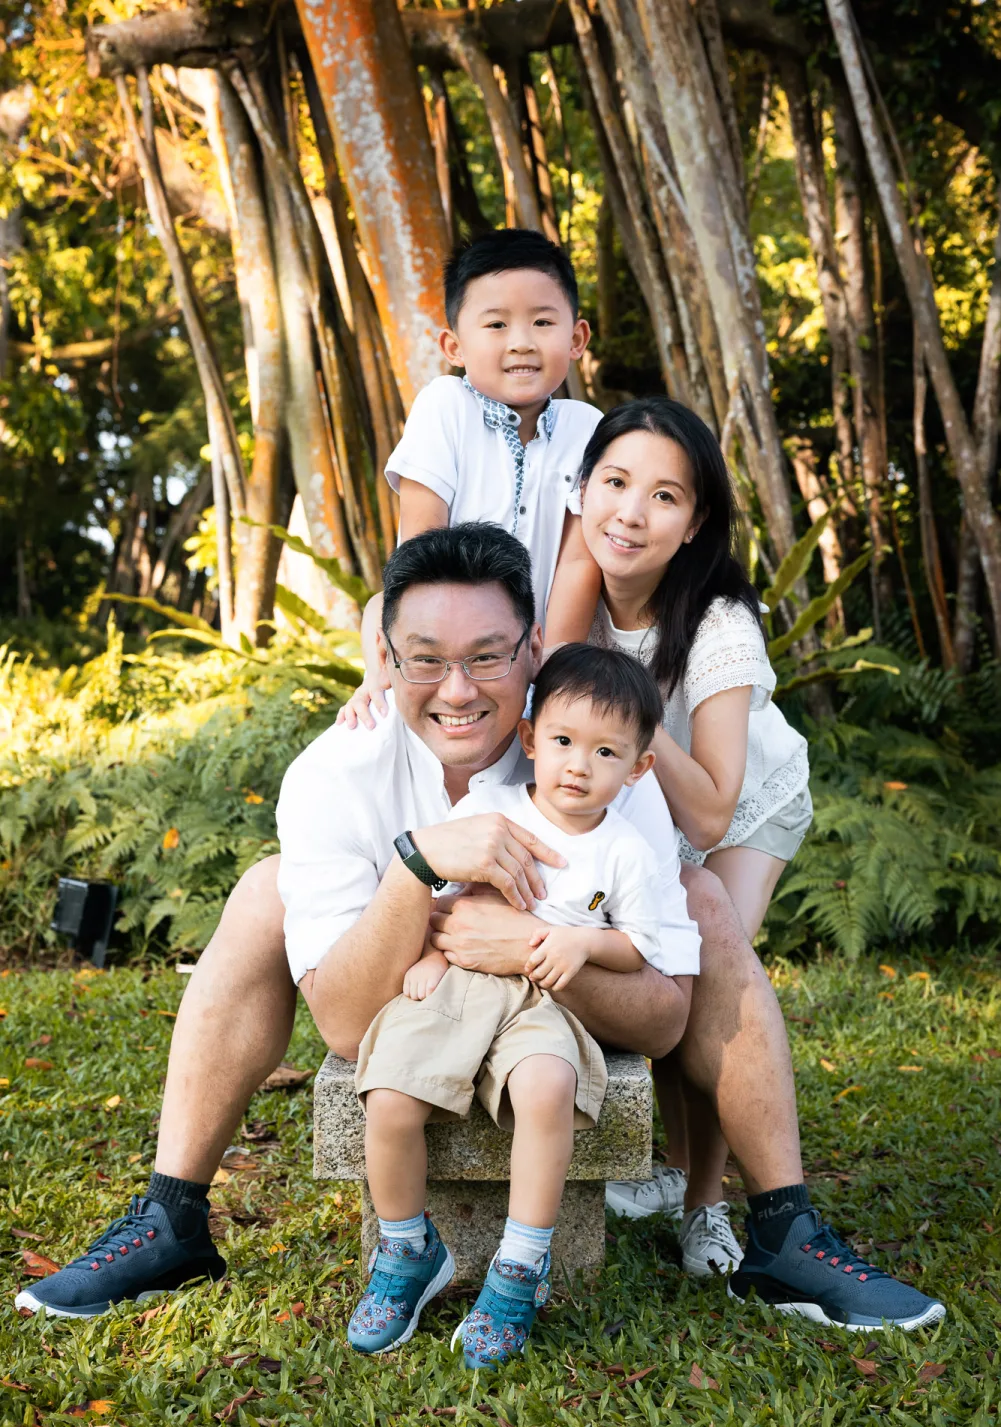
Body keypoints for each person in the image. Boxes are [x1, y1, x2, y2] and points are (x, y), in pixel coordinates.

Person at [17, 525, 945, 1334]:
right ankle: (172, 1217)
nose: (456, 689)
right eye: (424, 658)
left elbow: (663, 1019)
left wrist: (535, 953)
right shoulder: (335, 775)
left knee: (699, 896)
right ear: (386, 656)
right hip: (415, 1006)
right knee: (266, 889)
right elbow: (345, 1024)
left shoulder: (596, 761)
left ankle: (784, 1230)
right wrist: (419, 867)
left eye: (489, 657)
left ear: (535, 650)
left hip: (557, 1006)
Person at [348, 643, 676, 1367]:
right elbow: (452, 896)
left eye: (605, 752)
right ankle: (407, 1253)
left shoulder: (623, 850)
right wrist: (433, 956)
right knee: (391, 1095)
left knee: (547, 1084)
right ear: (530, 739)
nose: (578, 766)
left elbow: (639, 947)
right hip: (461, 979)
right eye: (561, 741)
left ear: (638, 767)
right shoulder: (492, 806)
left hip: (544, 995)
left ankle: (519, 1267)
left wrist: (580, 946)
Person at [579, 400, 812, 1274]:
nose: (632, 513)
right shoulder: (572, 591)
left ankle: (704, 1204)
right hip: (649, 805)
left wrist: (632, 717)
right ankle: (672, 1167)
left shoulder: (717, 623)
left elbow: (713, 810)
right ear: (583, 489)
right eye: (615, 483)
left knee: (708, 971)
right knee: (655, 967)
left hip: (746, 802)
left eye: (664, 496)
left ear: (694, 523)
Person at [339, 227, 602, 731]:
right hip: (441, 640)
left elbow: (577, 563)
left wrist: (551, 676)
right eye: (497, 324)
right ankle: (381, 692)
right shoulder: (445, 405)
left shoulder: (587, 427)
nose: (521, 342)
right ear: (453, 345)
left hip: (539, 648)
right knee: (381, 609)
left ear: (576, 339)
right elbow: (419, 549)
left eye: (543, 321)